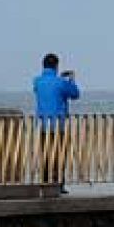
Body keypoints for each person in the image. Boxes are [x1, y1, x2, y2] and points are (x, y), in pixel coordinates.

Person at [33, 53, 80, 187]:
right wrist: (71, 79)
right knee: (59, 155)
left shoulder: (37, 81)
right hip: (58, 125)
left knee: (46, 155)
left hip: (43, 125)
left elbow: (46, 89)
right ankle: (58, 184)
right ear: (56, 66)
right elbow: (75, 94)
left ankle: (46, 184)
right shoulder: (61, 83)